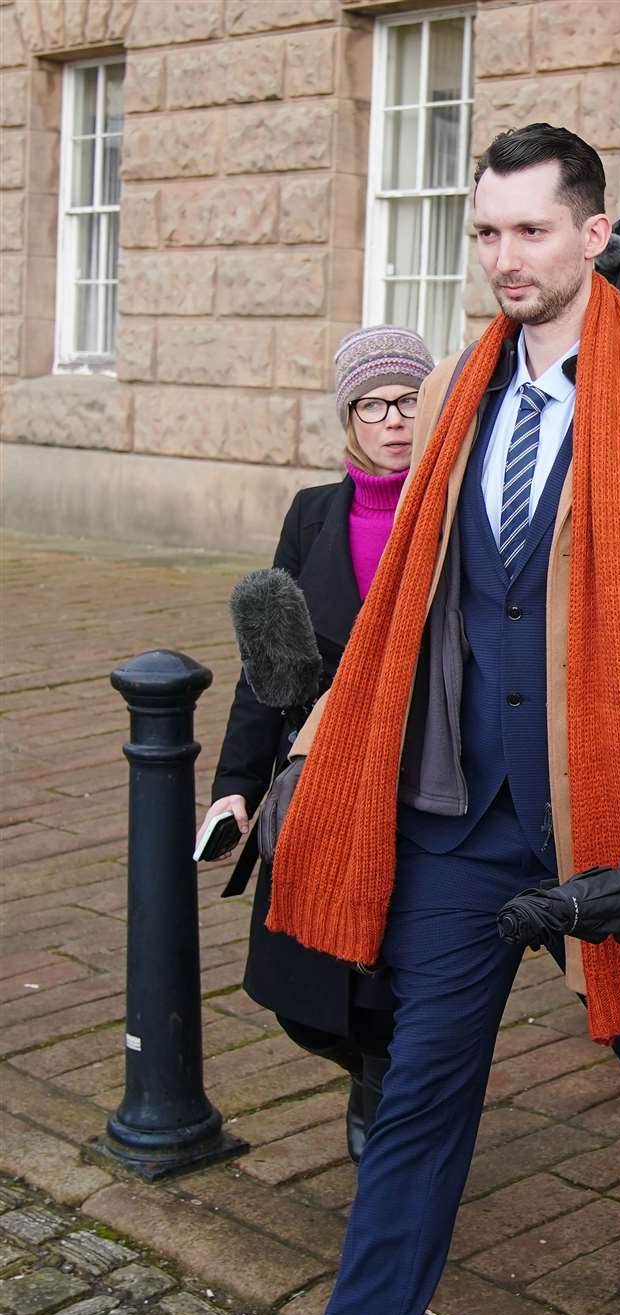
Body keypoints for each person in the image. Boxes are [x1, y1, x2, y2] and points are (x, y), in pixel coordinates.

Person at [228, 123, 620, 1315]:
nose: (504, 259)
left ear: (596, 234)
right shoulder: (461, 393)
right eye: (485, 234)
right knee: (413, 1108)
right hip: (463, 811)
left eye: (531, 231)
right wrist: (304, 750)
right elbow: (411, 611)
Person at [196, 325, 434, 1161]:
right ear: (350, 419)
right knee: (295, 991)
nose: (394, 419)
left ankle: (389, 1080)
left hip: (425, 775)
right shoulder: (313, 514)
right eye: (374, 404)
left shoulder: (456, 507)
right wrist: (235, 783)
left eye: (409, 399)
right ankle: (375, 1065)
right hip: (316, 772)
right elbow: (270, 661)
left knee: (389, 972)